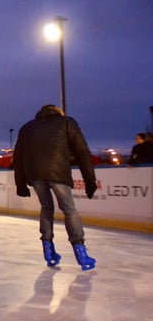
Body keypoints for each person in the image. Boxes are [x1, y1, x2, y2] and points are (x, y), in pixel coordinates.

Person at [13, 104, 97, 271]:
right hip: (57, 172)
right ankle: (80, 252)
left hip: (35, 174)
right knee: (69, 209)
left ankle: (48, 251)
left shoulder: (27, 127)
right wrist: (90, 180)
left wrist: (20, 183)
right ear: (59, 113)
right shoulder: (67, 122)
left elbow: (18, 156)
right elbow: (82, 151)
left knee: (46, 208)